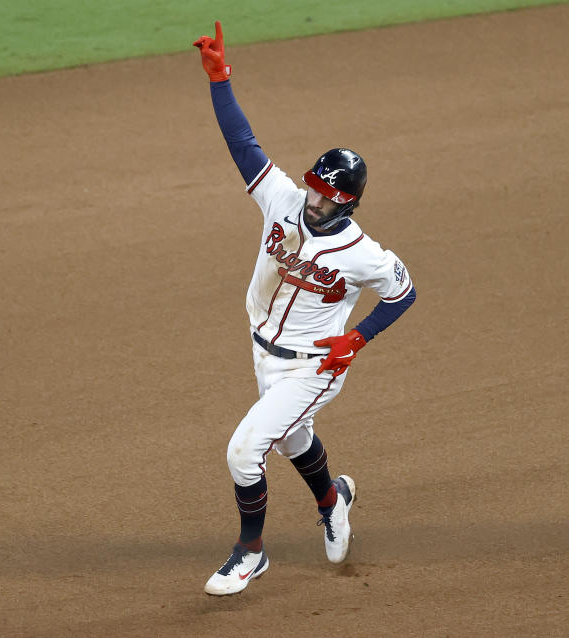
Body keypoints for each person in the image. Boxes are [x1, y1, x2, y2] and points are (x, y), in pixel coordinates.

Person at [192, 21, 417, 596]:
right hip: (262, 349)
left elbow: (403, 292)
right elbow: (244, 145)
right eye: (313, 186)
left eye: (326, 195)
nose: (312, 199)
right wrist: (221, 80)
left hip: (315, 366)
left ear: (348, 202)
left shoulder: (363, 253)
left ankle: (250, 552)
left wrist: (358, 338)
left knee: (245, 451)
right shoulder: (284, 201)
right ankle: (333, 497)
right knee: (293, 439)